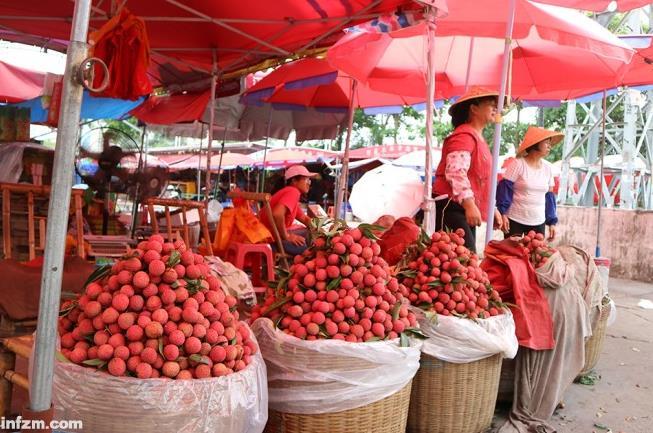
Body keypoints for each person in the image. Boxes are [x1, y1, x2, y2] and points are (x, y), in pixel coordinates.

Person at [433, 87, 503, 252]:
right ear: (474, 108)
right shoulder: (464, 136)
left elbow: (482, 180)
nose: (496, 108)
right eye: (491, 104)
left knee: (465, 261)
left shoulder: (478, 139)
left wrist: (491, 208)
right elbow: (456, 172)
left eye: (496, 105)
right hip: (453, 207)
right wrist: (469, 204)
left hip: (463, 208)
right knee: (459, 261)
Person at [497, 126, 562, 240]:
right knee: (512, 255)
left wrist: (552, 223)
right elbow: (504, 190)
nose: (549, 146)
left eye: (550, 143)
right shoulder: (518, 164)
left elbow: (549, 197)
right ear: (536, 144)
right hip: (515, 219)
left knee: (535, 255)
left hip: (538, 221)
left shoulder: (548, 169)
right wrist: (503, 213)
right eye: (546, 142)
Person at [260, 165, 317, 256]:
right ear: (294, 181)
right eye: (306, 179)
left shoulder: (288, 192)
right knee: (315, 249)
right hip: (271, 240)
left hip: (270, 237)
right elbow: (277, 214)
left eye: (309, 180)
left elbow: (305, 219)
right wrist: (287, 236)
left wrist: (323, 229)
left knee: (310, 233)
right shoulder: (292, 192)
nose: (309, 183)